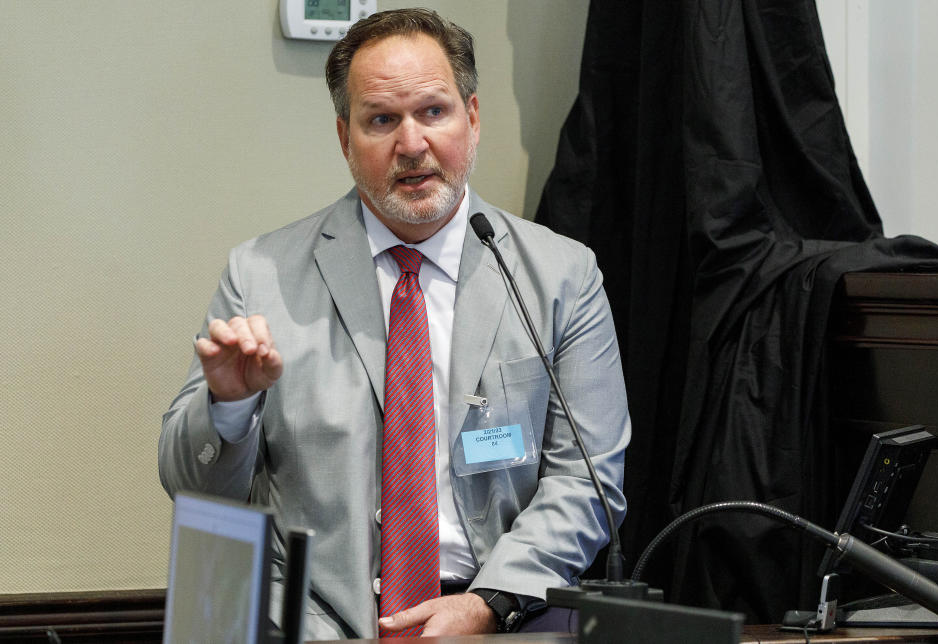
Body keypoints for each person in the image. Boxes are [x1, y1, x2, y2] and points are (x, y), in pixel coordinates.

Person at [159, 8, 629, 639]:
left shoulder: (562, 275)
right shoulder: (261, 275)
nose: (411, 144)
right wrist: (227, 405)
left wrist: (488, 603)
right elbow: (193, 487)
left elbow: (588, 481)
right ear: (344, 136)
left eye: (433, 112)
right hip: (308, 621)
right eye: (381, 120)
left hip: (501, 619)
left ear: (473, 117)